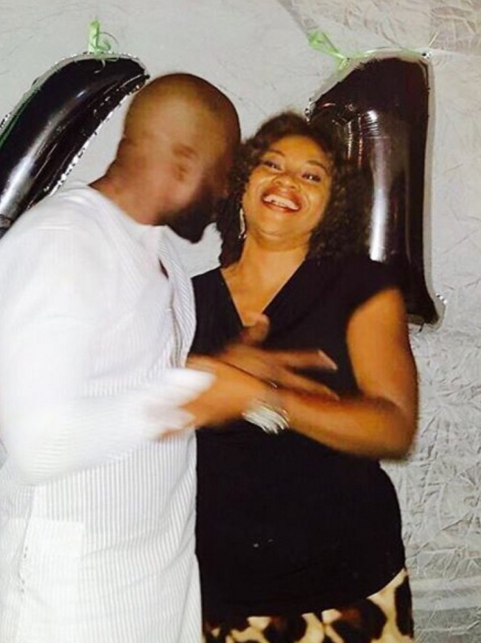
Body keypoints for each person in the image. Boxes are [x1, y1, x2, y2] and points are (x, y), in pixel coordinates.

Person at [0, 77, 335, 643]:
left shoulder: (159, 254)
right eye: (223, 174)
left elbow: (117, 385)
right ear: (184, 163)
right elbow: (40, 442)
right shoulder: (63, 246)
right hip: (69, 598)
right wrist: (194, 392)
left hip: (154, 580)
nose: (224, 194)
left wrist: (223, 372)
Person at [192, 112, 418, 643]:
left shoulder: (362, 287)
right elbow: (125, 391)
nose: (288, 181)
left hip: (343, 591)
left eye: (312, 175)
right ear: (242, 184)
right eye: (272, 165)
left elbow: (394, 428)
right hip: (217, 594)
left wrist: (262, 397)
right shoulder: (188, 298)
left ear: (331, 204)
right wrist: (10, 397)